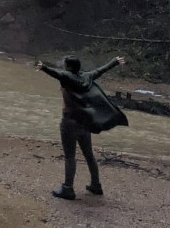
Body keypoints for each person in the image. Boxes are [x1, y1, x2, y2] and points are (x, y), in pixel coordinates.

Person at [37, 54, 128, 200]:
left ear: (69, 67)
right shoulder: (87, 77)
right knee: (89, 154)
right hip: (85, 122)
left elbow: (56, 74)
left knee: (70, 156)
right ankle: (96, 185)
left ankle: (68, 188)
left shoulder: (66, 77)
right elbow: (101, 70)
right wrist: (114, 62)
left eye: (66, 65)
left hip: (70, 122)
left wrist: (43, 68)